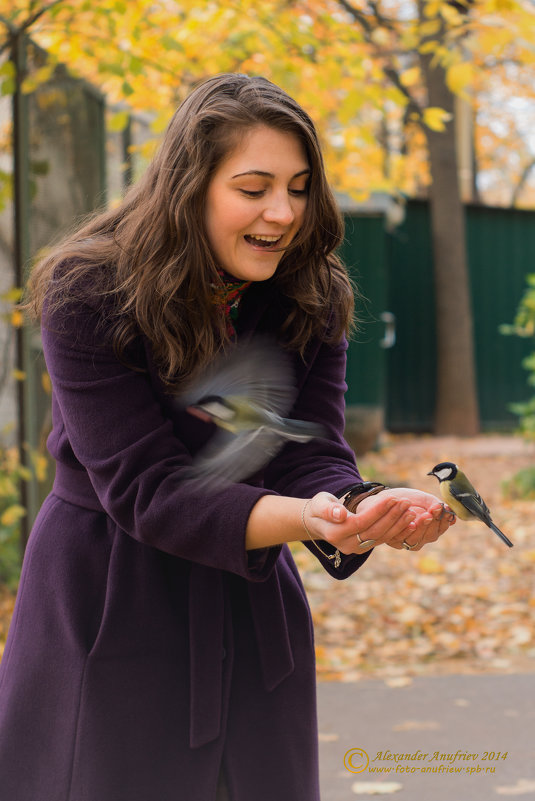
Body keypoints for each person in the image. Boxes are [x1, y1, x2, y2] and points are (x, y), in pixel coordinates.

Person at [0, 73, 454, 801]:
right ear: (190, 187)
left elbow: (310, 449)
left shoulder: (311, 290)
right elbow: (146, 490)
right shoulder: (87, 290)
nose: (282, 212)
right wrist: (307, 519)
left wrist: (357, 505)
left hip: (248, 616)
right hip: (108, 597)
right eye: (254, 187)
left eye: (300, 187)